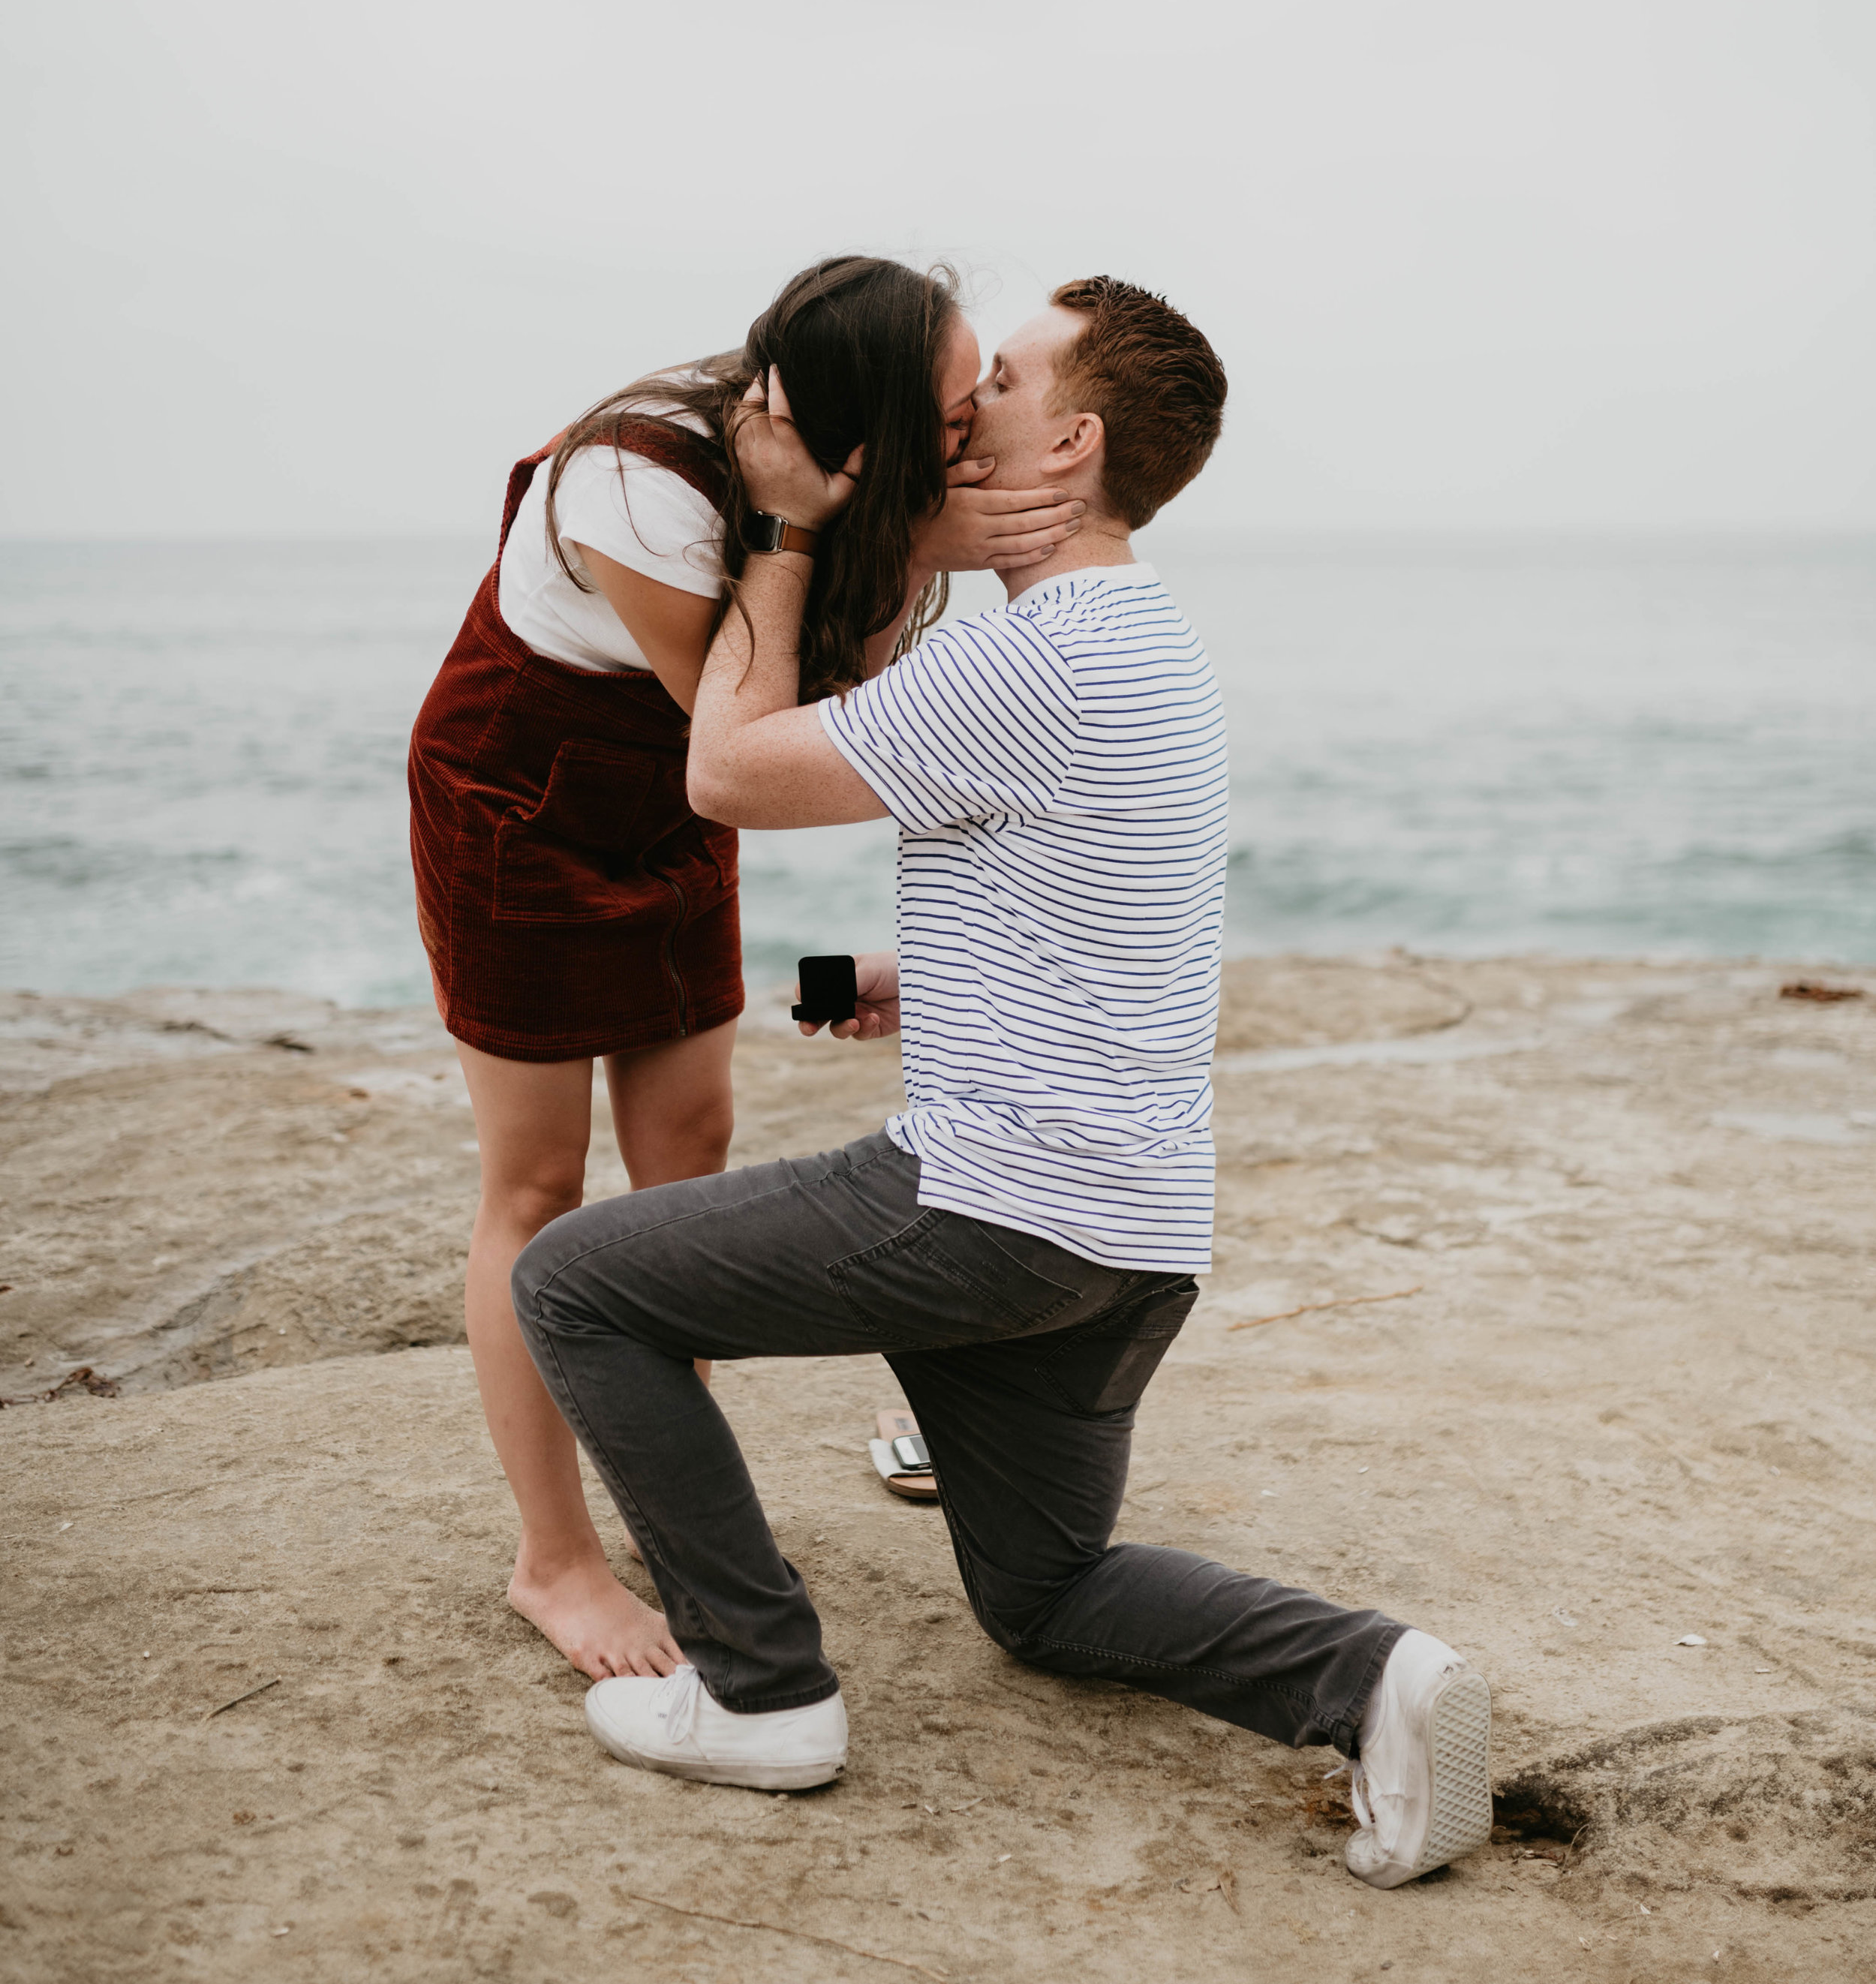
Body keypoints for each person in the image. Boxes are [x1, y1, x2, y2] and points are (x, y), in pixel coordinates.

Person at [510, 277, 1495, 1891]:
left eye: (1005, 381)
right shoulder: (1145, 645)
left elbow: (722, 774)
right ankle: (1374, 1677)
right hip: (1127, 1240)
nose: (960, 410)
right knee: (1041, 1600)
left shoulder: (1031, 655)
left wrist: (779, 528)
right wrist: (923, 981)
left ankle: (759, 1693)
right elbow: (1115, 897)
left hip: (995, 1214)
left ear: (1076, 438)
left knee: (578, 1284)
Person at [408, 255, 1084, 1682]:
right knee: (536, 1185)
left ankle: (665, 1501)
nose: (975, 436)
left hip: (677, 797)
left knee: (692, 1165)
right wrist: (843, 533)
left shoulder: (863, 480)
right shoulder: (641, 486)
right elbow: (780, 719)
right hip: (522, 804)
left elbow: (785, 728)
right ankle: (557, 1559)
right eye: (957, 414)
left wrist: (903, 533)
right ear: (871, 432)